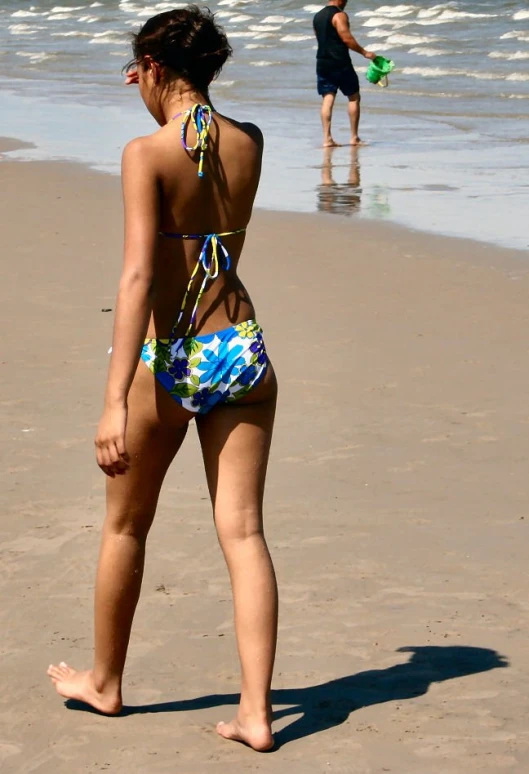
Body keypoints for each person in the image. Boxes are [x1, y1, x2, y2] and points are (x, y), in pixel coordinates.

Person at [47, 5, 278, 753]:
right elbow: (212, 196)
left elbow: (142, 276)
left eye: (136, 72)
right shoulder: (251, 142)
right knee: (243, 533)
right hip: (240, 348)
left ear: (154, 70)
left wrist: (113, 400)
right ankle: (256, 714)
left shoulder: (145, 152)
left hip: (172, 358)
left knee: (124, 525)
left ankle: (106, 684)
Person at [313, 0, 376, 147]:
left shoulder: (318, 16)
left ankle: (327, 139)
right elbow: (347, 38)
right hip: (340, 62)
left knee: (328, 98)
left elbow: (320, 38)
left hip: (322, 61)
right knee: (353, 97)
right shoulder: (339, 15)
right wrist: (364, 52)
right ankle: (354, 137)